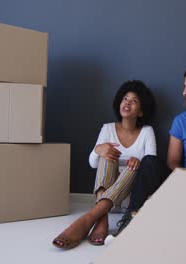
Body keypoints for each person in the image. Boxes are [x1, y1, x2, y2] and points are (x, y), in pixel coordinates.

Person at [52, 80, 157, 249]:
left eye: (134, 100)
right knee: (106, 156)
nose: (127, 102)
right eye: (125, 98)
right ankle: (101, 218)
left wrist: (140, 162)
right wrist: (98, 149)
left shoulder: (147, 132)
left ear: (141, 111)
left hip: (129, 201)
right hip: (107, 201)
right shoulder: (107, 128)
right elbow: (93, 163)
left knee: (135, 165)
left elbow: (151, 168)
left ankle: (88, 218)